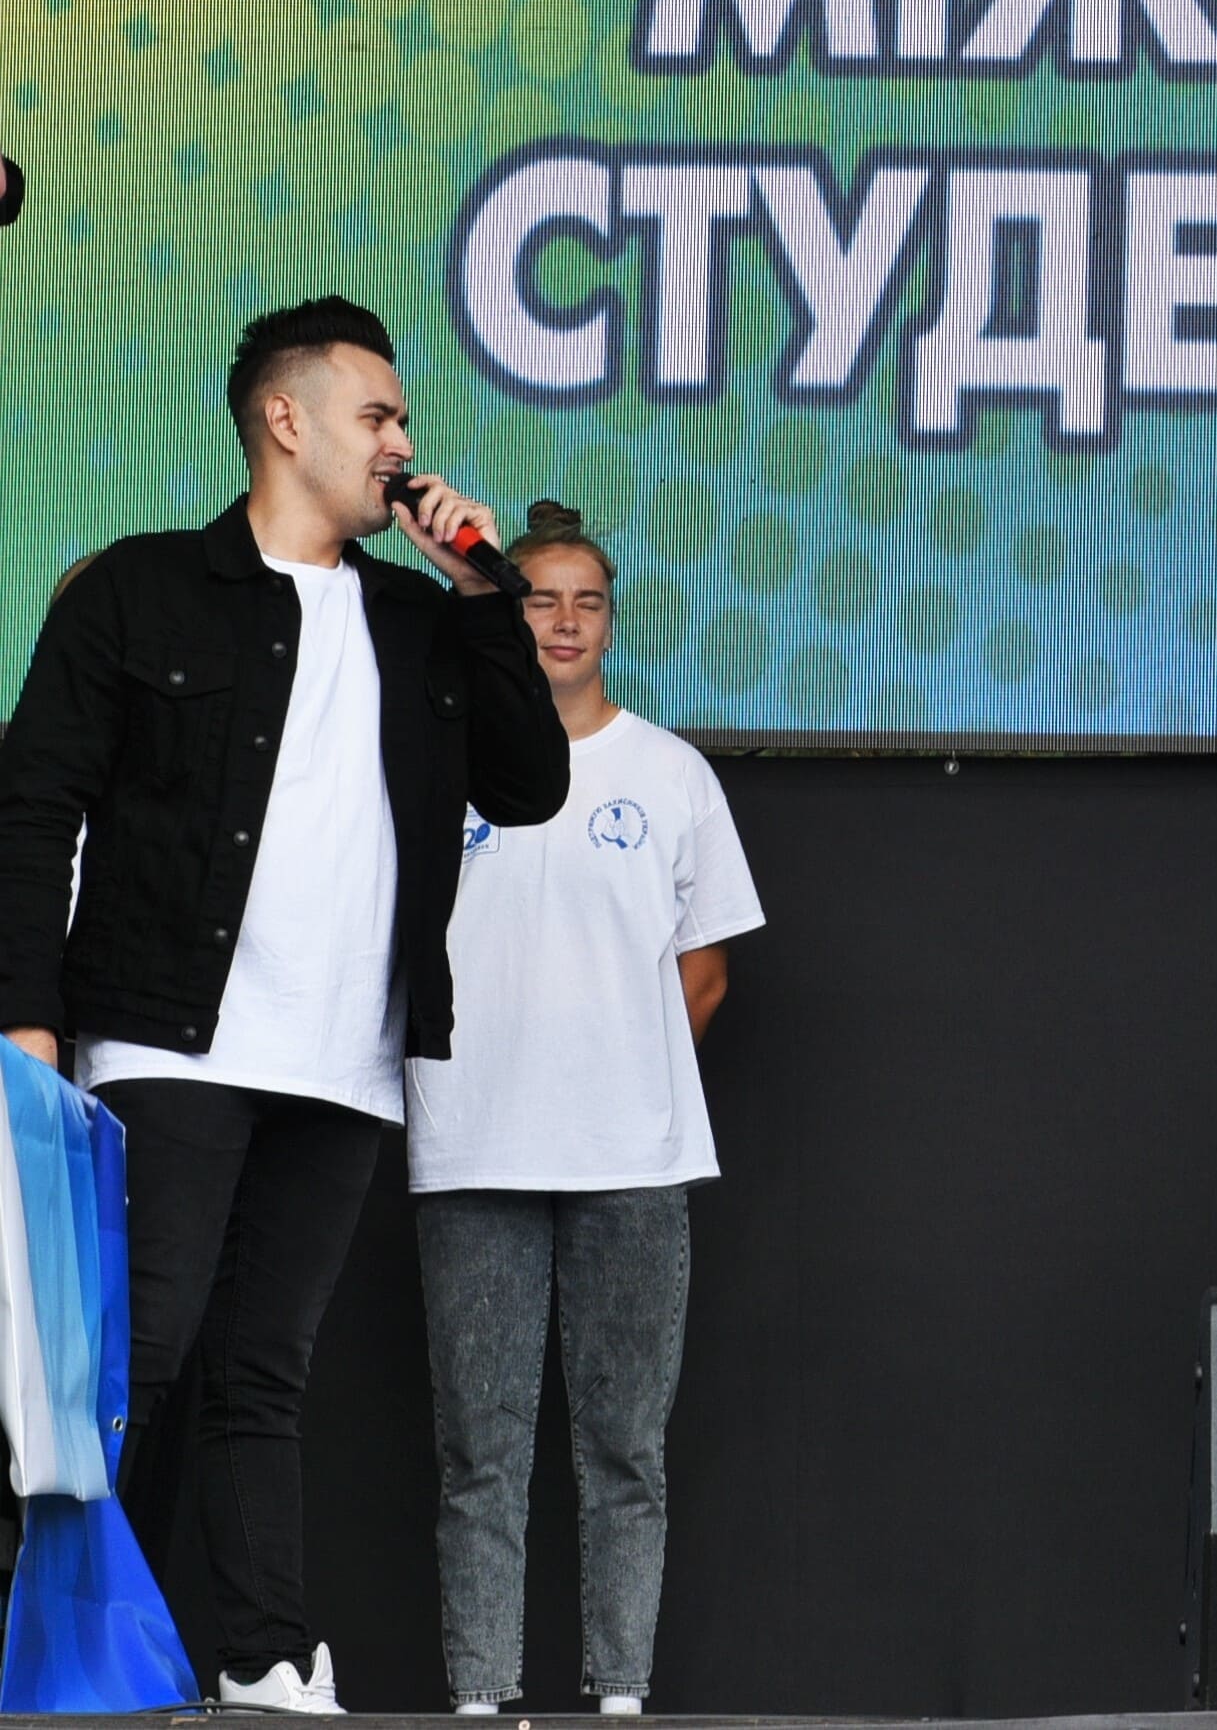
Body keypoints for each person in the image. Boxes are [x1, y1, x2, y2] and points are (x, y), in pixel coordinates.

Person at [0, 297, 568, 1713]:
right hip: (166, 1033)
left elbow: (529, 785)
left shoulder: (421, 619)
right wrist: (26, 1014)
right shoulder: (142, 588)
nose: (402, 443)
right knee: (131, 1354)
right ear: (286, 418)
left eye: (404, 421)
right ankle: (47, 1643)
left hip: (345, 1057)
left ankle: (264, 1655)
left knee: (265, 1368)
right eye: (379, 415)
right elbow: (33, 804)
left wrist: (485, 596)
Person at [412, 502, 765, 1717]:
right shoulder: (446, 762)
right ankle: (479, 1695)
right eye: (538, 600)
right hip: (472, 1146)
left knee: (625, 1449)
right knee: (480, 1453)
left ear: (610, 622)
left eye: (586, 601)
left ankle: (621, 1695)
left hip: (633, 1160)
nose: (563, 622)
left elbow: (705, 972)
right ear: (504, 617)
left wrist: (628, 1077)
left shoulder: (670, 772)